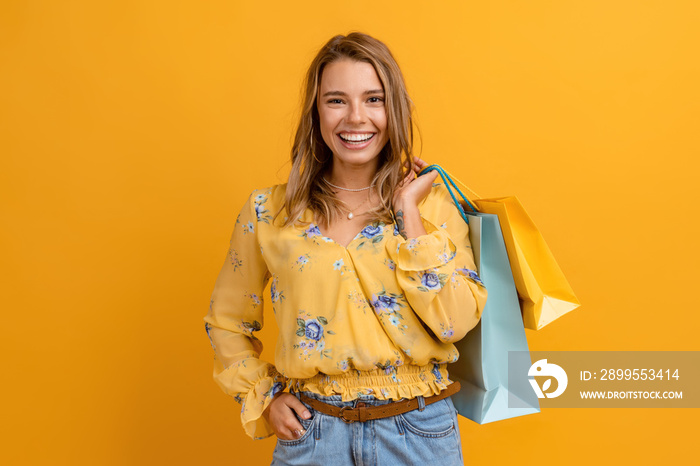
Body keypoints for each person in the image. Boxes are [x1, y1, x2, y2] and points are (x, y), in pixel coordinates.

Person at [204, 32, 488, 465]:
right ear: (316, 112)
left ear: (393, 110)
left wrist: (408, 212)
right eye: (337, 100)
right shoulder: (269, 212)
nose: (356, 118)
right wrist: (265, 396)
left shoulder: (432, 207)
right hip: (313, 436)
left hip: (419, 433)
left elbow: (455, 323)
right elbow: (225, 322)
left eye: (374, 100)